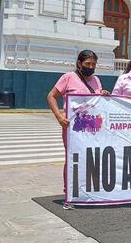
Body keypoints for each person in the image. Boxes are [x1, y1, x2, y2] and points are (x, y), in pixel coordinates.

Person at [46, 50, 110, 209]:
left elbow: (96, 101)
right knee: (73, 159)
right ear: (79, 63)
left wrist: (103, 94)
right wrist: (59, 116)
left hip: (93, 128)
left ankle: (88, 192)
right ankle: (70, 194)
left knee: (91, 159)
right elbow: (51, 96)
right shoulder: (68, 77)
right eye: (87, 64)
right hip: (73, 128)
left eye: (94, 64)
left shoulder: (96, 80)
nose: (91, 67)